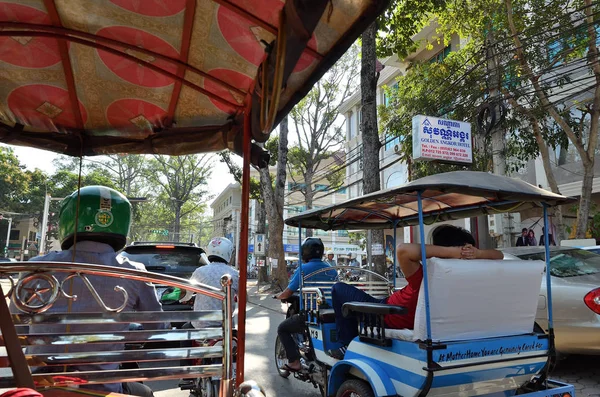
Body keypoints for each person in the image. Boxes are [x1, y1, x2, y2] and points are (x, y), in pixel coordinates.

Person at [10, 186, 164, 397]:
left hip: (41, 385)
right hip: (103, 389)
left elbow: (15, 327)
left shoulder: (37, 266)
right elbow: (158, 327)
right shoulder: (134, 273)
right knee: (144, 392)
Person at [327, 225, 503, 359]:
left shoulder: (429, 276)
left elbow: (403, 250)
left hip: (385, 315)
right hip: (393, 305)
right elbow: (499, 255)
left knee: (339, 289)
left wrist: (451, 253)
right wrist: (476, 253)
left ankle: (346, 345)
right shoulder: (467, 277)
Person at [274, 237, 337, 372]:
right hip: (332, 313)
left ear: (305, 253)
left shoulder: (303, 269)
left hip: (311, 315)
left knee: (282, 329)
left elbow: (288, 292)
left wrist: (278, 296)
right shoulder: (332, 269)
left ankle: (294, 362)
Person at [190, 237, 240, 329]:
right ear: (228, 253)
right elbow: (244, 298)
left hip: (200, 326)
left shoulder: (199, 271)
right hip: (225, 327)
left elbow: (187, 294)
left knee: (185, 333)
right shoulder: (234, 274)